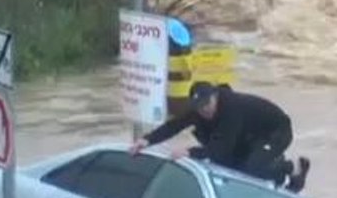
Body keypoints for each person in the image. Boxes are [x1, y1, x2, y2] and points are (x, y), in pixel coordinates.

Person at [129, 81, 311, 192]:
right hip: (251, 135)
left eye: (207, 104)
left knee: (251, 167)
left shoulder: (231, 109)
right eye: (199, 106)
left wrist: (190, 152)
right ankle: (275, 167)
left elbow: (220, 149)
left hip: (277, 131)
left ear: (215, 96)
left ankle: (291, 170)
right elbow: (174, 126)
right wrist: (147, 140)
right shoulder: (197, 111)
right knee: (232, 165)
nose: (204, 110)